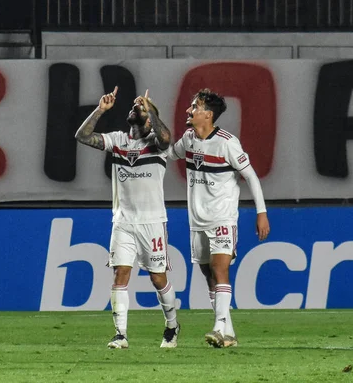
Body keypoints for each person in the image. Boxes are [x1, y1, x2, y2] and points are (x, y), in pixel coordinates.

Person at [75, 87, 180, 349]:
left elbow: (166, 138)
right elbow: (82, 136)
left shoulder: (157, 145)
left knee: (158, 279)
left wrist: (149, 109)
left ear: (149, 119)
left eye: (140, 108)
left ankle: (172, 325)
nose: (134, 108)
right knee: (120, 274)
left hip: (152, 222)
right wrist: (100, 109)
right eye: (134, 107)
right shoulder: (119, 140)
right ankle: (120, 334)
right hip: (122, 222)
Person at [164, 88, 270, 348]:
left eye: (194, 107)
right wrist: (151, 125)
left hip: (223, 218)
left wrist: (261, 212)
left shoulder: (227, 142)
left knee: (220, 269)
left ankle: (219, 327)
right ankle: (229, 333)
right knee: (207, 272)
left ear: (208, 115)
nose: (189, 111)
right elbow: (168, 153)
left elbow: (251, 176)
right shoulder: (189, 138)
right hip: (197, 220)